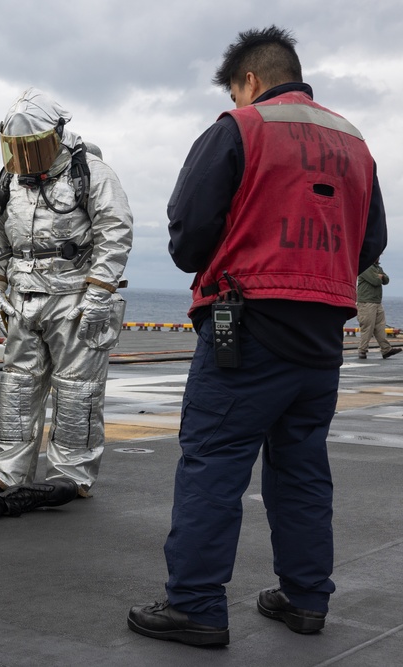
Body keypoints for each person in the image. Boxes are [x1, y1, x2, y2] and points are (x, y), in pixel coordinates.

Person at [128, 26, 388, 647]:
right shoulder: (354, 141)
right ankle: (305, 599)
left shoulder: (239, 128)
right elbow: (370, 239)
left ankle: (195, 605)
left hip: (244, 330)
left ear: (249, 80)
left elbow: (190, 225)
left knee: (213, 464)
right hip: (323, 333)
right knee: (301, 468)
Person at [0, 88, 133, 494]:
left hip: (76, 297)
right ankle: (9, 470)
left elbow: (114, 232)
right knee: (16, 387)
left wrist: (98, 293)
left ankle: (70, 475)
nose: (24, 156)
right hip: (23, 298)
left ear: (57, 136)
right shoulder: (8, 180)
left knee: (77, 390)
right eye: (16, 147)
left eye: (32, 146)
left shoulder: (92, 173)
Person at [356, 258, 399, 360]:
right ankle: (362, 350)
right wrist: (380, 277)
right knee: (367, 328)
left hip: (377, 302)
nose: (378, 257)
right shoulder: (364, 267)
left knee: (380, 327)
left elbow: (386, 280)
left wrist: (382, 276)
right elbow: (375, 281)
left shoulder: (378, 268)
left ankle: (386, 349)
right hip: (366, 302)